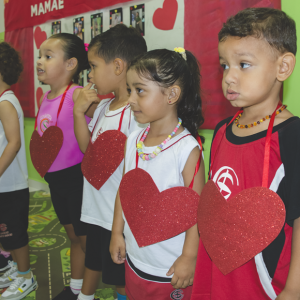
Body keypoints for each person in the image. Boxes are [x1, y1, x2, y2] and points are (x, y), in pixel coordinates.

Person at [191, 8, 300, 300]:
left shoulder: (292, 136)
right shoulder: (224, 131)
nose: (230, 77)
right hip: (217, 273)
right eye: (225, 65)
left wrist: (294, 288)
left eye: (244, 64)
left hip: (262, 284)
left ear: (283, 67)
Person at [110, 47, 205, 300]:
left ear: (172, 94)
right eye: (129, 90)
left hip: (170, 269)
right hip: (136, 260)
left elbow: (198, 210)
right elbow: (125, 188)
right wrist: (116, 231)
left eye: (139, 90)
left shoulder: (187, 149)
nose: (130, 99)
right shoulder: (133, 140)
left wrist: (189, 256)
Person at [73, 24, 147, 300]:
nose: (89, 74)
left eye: (92, 66)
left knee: (122, 282)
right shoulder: (104, 107)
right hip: (97, 212)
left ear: (118, 66)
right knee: (101, 267)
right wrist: (79, 114)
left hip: (118, 220)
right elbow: (88, 152)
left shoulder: (135, 114)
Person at [35, 33, 94, 300]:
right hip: (55, 183)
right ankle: (75, 287)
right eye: (39, 55)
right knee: (72, 236)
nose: (40, 61)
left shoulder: (78, 95)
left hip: (76, 180)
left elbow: (107, 115)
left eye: (48, 56)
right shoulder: (45, 98)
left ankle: (87, 291)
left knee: (84, 239)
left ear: (71, 64)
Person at [0, 42, 37, 300]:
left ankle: (26, 277)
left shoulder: (5, 102)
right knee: (6, 232)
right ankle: (15, 269)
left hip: (10, 185)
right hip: (4, 184)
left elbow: (14, 143)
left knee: (15, 234)